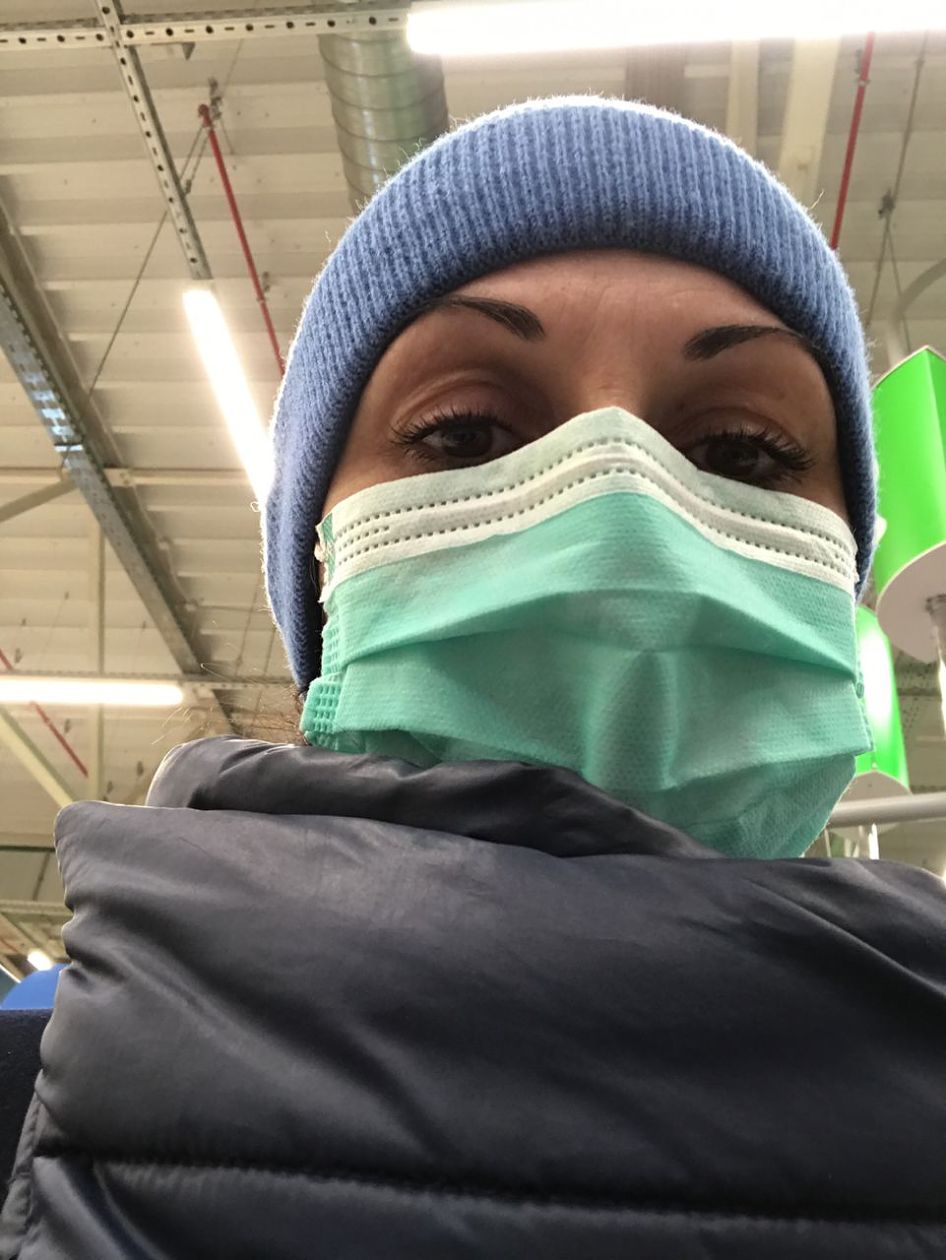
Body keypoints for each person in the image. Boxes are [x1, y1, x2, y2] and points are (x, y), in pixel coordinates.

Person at [3, 96, 946, 1259]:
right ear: (318, 563)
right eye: (463, 433)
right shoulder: (34, 1098)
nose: (620, 511)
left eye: (743, 451)